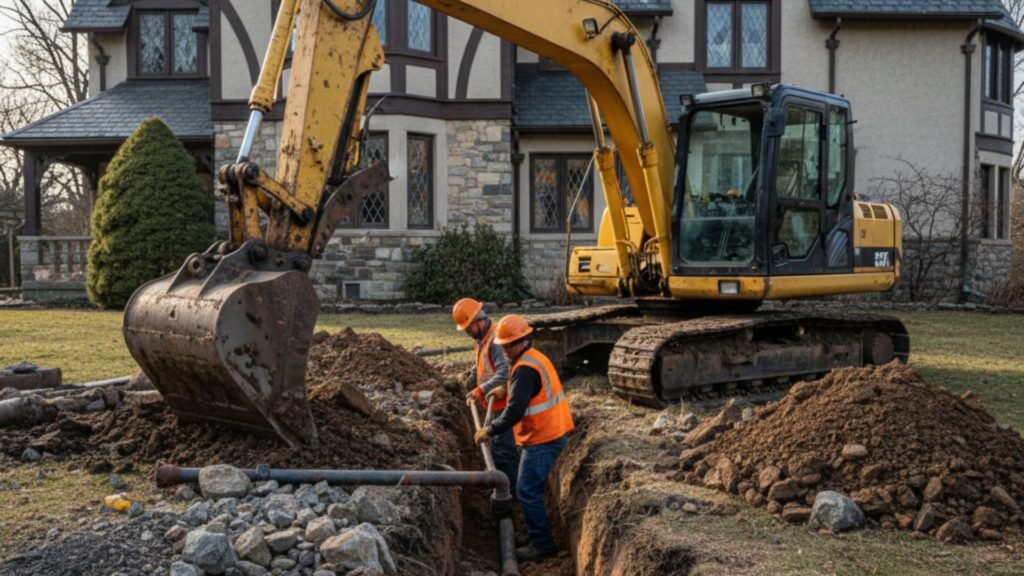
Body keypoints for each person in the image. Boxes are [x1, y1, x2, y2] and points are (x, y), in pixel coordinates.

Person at [473, 314, 574, 562]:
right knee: (527, 488)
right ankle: (534, 534)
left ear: (519, 342)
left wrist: (491, 429)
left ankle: (542, 545)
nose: (504, 351)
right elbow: (526, 392)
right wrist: (504, 388)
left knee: (527, 491)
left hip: (545, 436)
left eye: (506, 346)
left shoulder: (525, 369)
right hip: (550, 431)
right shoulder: (531, 359)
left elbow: (515, 411)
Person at [453, 298, 519, 492]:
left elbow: (504, 373)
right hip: (492, 405)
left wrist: (480, 390)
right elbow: (482, 365)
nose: (467, 333)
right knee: (497, 448)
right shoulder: (481, 339)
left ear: (478, 321)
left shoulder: (495, 340)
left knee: (504, 451)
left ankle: (510, 493)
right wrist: (470, 377)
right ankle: (501, 483)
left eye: (468, 328)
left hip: (504, 404)